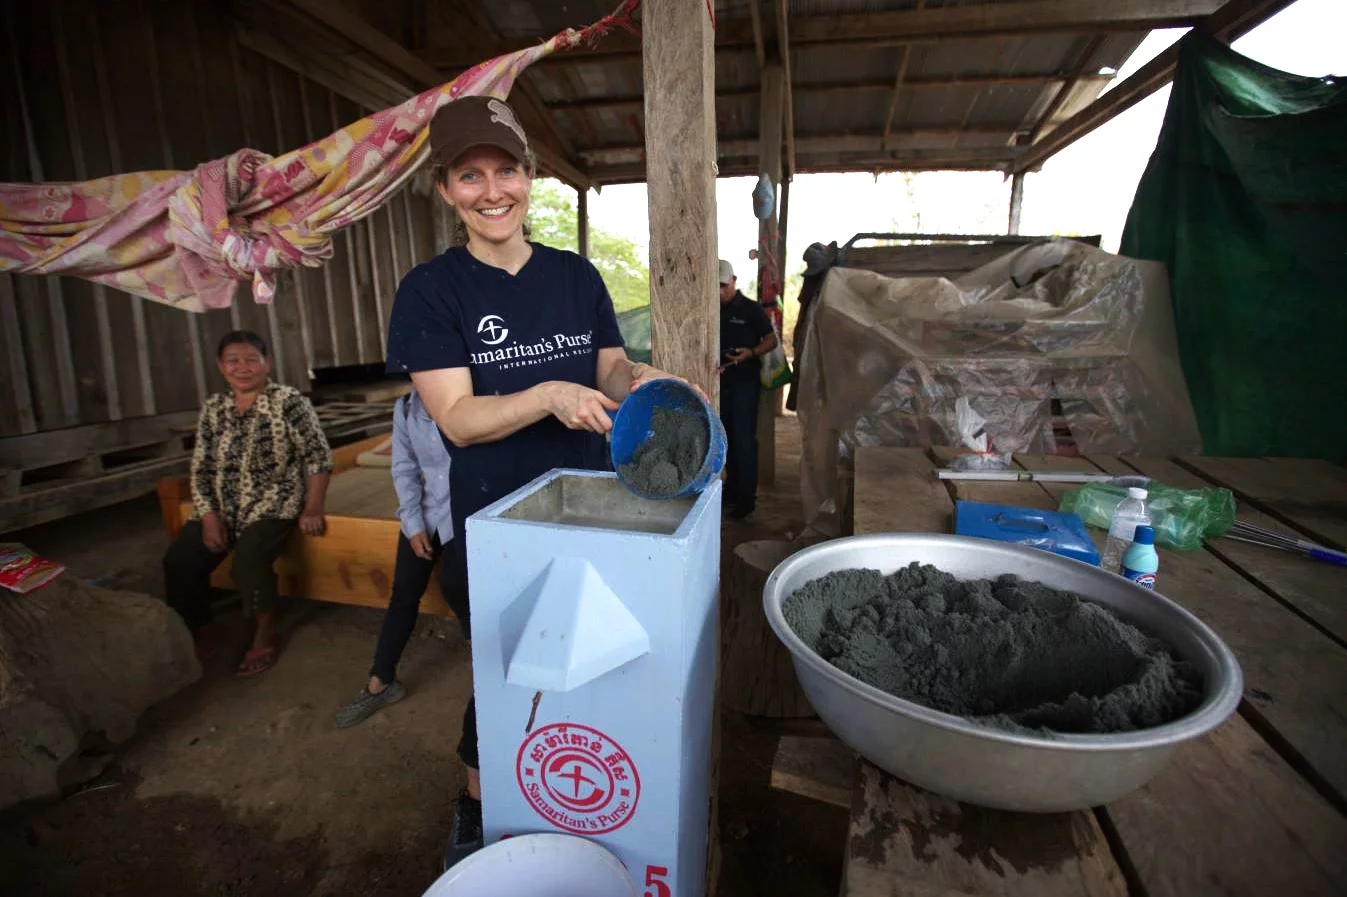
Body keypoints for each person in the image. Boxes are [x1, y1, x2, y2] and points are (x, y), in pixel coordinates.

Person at [382, 95, 692, 865]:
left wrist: (639, 373)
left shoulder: (573, 275)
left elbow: (608, 367)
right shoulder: (431, 291)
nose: (492, 191)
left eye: (506, 171)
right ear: (446, 188)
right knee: (507, 680)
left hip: (592, 512)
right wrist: (548, 396)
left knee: (593, 670)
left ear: (530, 176)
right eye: (469, 175)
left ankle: (581, 806)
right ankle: (477, 808)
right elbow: (456, 418)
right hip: (496, 530)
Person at [162, 330, 332, 676]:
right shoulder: (214, 408)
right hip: (221, 505)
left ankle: (264, 632)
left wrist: (313, 508)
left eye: (252, 360)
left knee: (249, 562)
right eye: (233, 361)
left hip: (273, 504)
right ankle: (202, 628)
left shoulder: (288, 401)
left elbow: (318, 457)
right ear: (221, 366)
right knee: (178, 561)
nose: (243, 368)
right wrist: (208, 515)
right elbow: (202, 468)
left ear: (266, 363)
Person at [335, 388, 455, 727]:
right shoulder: (405, 408)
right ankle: (381, 682)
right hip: (426, 514)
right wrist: (413, 522)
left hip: (466, 515)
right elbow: (404, 468)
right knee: (403, 593)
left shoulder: (473, 398)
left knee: (461, 590)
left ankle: (491, 685)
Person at [717, 259, 777, 520]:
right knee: (725, 439)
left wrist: (750, 352)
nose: (719, 291)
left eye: (723, 285)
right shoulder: (709, 309)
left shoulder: (750, 309)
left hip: (744, 385)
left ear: (734, 281)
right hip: (719, 385)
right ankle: (730, 492)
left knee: (743, 441)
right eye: (714, 286)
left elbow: (772, 339)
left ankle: (746, 500)